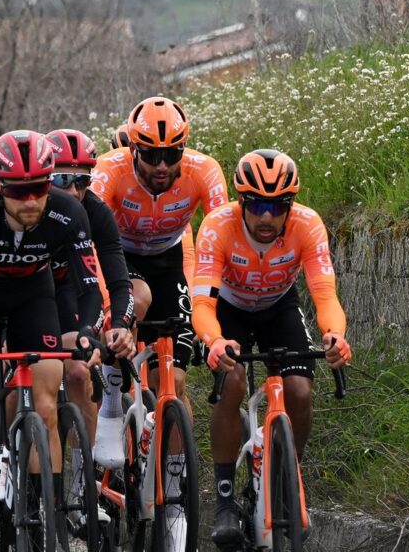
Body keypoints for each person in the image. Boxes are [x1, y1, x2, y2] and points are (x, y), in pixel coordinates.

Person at [193, 149, 352, 546]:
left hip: (279, 304)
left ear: (290, 205)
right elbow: (202, 304)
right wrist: (214, 341)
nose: (267, 217)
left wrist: (334, 335)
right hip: (228, 309)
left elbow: (324, 294)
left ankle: (285, 476)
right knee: (231, 383)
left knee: (299, 390)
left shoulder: (308, 225)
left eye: (278, 205)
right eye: (258, 205)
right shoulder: (217, 226)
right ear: (242, 201)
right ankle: (226, 499)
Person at [0, 130, 101, 508]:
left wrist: (88, 330)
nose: (30, 200)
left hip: (33, 296)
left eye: (39, 187)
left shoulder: (68, 211)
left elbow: (89, 284)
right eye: (18, 191)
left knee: (46, 401)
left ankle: (40, 510)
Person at [89, 96, 230, 394]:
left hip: (170, 260)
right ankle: (114, 403)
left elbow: (218, 247)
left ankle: (172, 434)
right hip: (119, 255)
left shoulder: (204, 170)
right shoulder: (107, 170)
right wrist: (110, 312)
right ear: (133, 150)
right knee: (136, 298)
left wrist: (210, 313)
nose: (162, 165)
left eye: (171, 154)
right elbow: (90, 244)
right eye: (152, 156)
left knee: (173, 383)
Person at [44, 128, 137, 468]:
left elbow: (118, 282)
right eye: (63, 179)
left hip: (71, 290)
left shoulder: (95, 212)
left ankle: (83, 484)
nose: (73, 190)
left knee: (80, 371)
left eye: (82, 182)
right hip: (23, 291)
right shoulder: (27, 204)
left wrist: (123, 325)